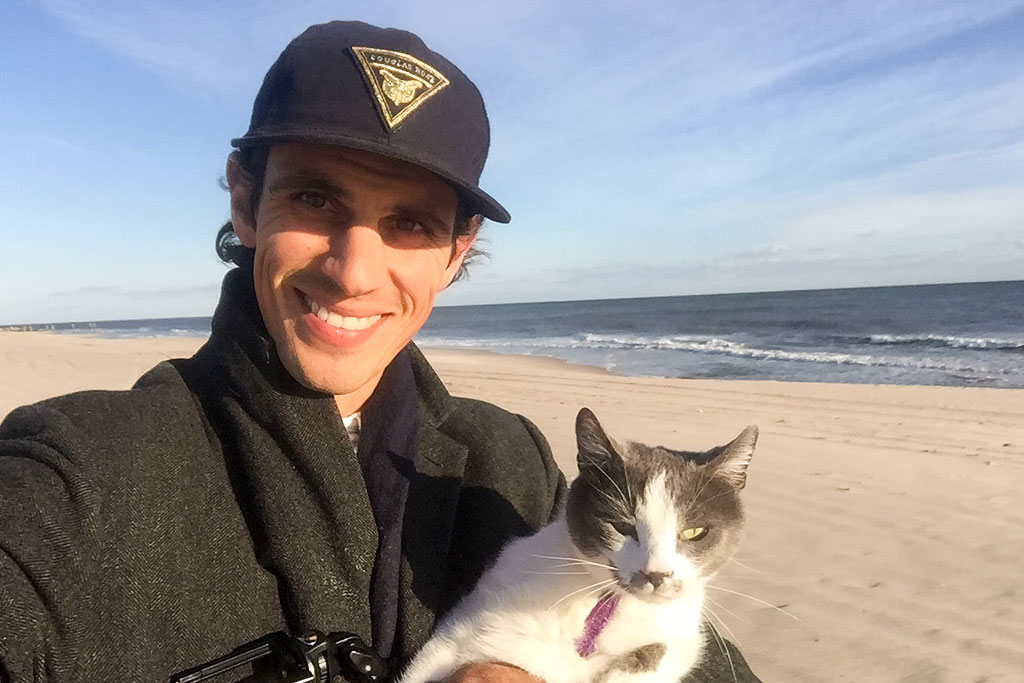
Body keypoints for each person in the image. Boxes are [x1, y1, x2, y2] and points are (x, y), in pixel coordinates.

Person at [0, 21, 759, 683]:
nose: (353, 272)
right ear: (245, 201)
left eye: (410, 223)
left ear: (457, 252)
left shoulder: (512, 461)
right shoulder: (74, 475)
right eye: (315, 199)